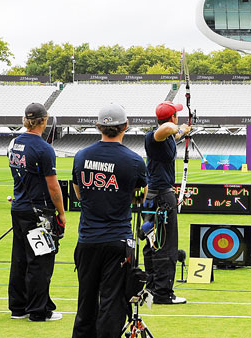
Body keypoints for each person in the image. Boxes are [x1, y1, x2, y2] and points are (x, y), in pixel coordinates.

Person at [71, 104, 147, 337]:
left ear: (98, 126)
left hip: (88, 238)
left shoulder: (82, 155)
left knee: (86, 299)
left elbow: (78, 193)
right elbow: (140, 197)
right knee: (112, 302)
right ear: (125, 126)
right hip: (117, 239)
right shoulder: (134, 161)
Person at [8, 102, 66, 322]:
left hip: (19, 208)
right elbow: (53, 186)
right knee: (40, 261)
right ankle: (38, 311)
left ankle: (18, 307)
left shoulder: (14, 143)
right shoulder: (43, 148)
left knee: (20, 259)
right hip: (38, 212)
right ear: (44, 120)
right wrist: (61, 212)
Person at [143, 101, 190, 304]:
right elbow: (168, 129)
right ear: (172, 118)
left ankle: (152, 287)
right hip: (161, 197)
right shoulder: (155, 136)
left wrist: (183, 132)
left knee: (153, 241)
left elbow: (172, 133)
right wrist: (178, 128)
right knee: (165, 244)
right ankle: (162, 293)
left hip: (154, 196)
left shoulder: (165, 139)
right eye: (176, 115)